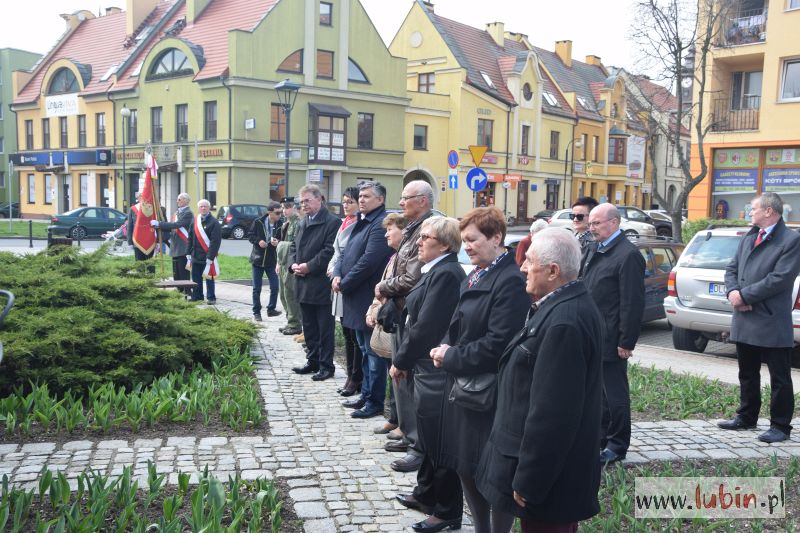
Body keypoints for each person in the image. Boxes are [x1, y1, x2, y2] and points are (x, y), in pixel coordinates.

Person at [476, 228, 603, 533]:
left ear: (553, 271)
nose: (521, 266)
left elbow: (553, 415)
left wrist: (530, 479)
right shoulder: (558, 307)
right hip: (549, 475)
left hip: (549, 482)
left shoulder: (564, 323)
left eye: (529, 260)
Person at [427, 207, 530, 533]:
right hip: (466, 388)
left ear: (496, 237)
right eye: (463, 241)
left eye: (472, 240)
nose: (466, 246)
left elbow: (498, 343)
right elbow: (458, 323)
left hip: (490, 394)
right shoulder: (477, 273)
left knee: (492, 475)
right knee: (465, 467)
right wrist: (443, 347)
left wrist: (452, 356)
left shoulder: (510, 281)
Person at [391, 217, 466, 531]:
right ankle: (425, 493)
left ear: (445, 244)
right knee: (427, 435)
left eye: (426, 237)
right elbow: (413, 314)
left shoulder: (447, 273)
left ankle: (447, 509)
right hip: (423, 364)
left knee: (439, 439)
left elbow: (426, 327)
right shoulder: (434, 270)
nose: (419, 242)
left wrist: (402, 361)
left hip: (431, 365)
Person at [719, 192, 800, 443]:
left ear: (768, 211)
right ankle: (746, 416)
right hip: (744, 317)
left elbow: (780, 279)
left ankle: (780, 426)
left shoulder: (790, 239)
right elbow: (732, 268)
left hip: (770, 318)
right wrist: (733, 292)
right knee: (747, 372)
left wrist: (744, 296)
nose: (749, 212)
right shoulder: (749, 236)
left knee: (779, 377)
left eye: (752, 208)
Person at [374, 180, 436, 472]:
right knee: (401, 380)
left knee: (408, 379)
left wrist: (384, 286)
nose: (401, 203)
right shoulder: (413, 228)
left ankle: (416, 444)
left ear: (422, 200)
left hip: (410, 311)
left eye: (406, 198)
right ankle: (410, 436)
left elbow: (412, 278)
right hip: (401, 311)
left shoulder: (428, 229)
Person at [580, 203, 645, 465]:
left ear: (614, 223)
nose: (591, 228)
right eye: (590, 223)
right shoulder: (596, 247)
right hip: (593, 333)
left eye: (596, 223)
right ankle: (601, 438)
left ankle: (617, 445)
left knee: (614, 395)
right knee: (598, 394)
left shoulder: (627, 255)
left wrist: (626, 340)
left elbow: (632, 302)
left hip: (611, 337)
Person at [334, 182, 393, 416]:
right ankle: (365, 395)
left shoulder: (379, 224)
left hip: (366, 296)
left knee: (372, 353)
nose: (361, 200)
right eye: (360, 196)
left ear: (380, 200)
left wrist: (345, 283)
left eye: (367, 196)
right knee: (362, 348)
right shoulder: (362, 220)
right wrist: (337, 274)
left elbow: (369, 261)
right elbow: (345, 253)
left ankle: (375, 402)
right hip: (353, 296)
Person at [289, 184, 341, 381]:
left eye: (307, 201)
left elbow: (329, 251)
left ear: (319, 200)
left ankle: (326, 366)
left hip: (320, 284)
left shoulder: (332, 222)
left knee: (324, 329)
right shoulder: (303, 222)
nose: (304, 205)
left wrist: (308, 266)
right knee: (309, 327)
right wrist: (293, 264)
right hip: (302, 283)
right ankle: (312, 361)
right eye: (301, 202)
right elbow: (294, 246)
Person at [328, 187, 363, 397]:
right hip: (338, 279)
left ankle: (355, 377)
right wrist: (333, 268)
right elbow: (336, 251)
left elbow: (350, 253)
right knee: (346, 332)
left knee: (353, 335)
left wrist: (338, 272)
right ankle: (351, 374)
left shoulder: (359, 224)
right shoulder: (345, 222)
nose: (346, 205)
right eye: (344, 201)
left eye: (350, 201)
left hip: (349, 282)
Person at [150, 192, 193, 292]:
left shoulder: (188, 213)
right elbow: (172, 229)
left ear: (186, 201)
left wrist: (160, 223)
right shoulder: (177, 213)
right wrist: (159, 226)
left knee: (183, 270)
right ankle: (179, 289)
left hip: (183, 245)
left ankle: (186, 290)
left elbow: (177, 225)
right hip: (175, 245)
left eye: (180, 199)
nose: (177, 201)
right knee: (176, 271)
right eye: (178, 199)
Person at [249, 202, 283, 322]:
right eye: (277, 213)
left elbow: (283, 239)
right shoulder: (258, 222)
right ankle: (256, 312)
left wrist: (278, 242)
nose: (280, 215)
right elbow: (250, 235)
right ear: (270, 212)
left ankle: (271, 309)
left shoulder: (281, 223)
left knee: (275, 287)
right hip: (257, 260)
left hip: (272, 260)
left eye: (281, 212)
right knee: (256, 288)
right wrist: (258, 241)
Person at [187, 199, 222, 304]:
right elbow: (190, 237)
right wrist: (188, 252)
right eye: (201, 206)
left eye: (205, 206)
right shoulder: (195, 220)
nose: (203, 208)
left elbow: (215, 241)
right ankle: (197, 296)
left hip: (207, 256)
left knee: (209, 277)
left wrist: (210, 257)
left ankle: (211, 297)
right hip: (195, 255)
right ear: (198, 208)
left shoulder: (214, 222)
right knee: (196, 277)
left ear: (209, 208)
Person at [277, 197, 303, 336]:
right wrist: (278, 262)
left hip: (290, 264)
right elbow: (283, 242)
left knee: (290, 294)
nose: (284, 210)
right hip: (282, 263)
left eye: (287, 207)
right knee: (283, 295)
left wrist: (280, 246)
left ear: (294, 208)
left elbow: (295, 246)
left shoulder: (298, 223)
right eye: (282, 208)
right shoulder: (286, 224)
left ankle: (295, 324)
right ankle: (289, 320)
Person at [127, 192, 154, 262]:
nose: (143, 199)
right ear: (138, 198)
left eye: (144, 197)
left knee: (150, 264)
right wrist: (130, 242)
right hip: (137, 240)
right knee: (139, 264)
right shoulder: (133, 209)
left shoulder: (152, 208)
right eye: (141, 197)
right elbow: (130, 226)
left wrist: (157, 241)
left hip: (150, 240)